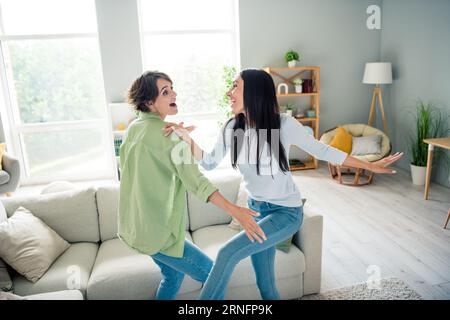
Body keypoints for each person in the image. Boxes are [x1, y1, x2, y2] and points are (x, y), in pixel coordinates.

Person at [163, 68, 403, 300]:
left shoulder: (284, 125)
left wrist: (370, 164)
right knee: (266, 286)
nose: (229, 91)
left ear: (255, 92)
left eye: (235, 85)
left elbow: (323, 150)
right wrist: (187, 138)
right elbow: (209, 162)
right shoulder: (231, 127)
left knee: (227, 254)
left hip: (285, 213)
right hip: (256, 212)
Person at [118, 71, 267, 300]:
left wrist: (178, 139)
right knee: (213, 274)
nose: (174, 93)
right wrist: (235, 210)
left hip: (136, 229)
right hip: (159, 235)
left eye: (172, 88)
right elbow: (198, 183)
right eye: (165, 92)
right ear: (149, 102)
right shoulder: (169, 137)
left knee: (173, 276)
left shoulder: (133, 129)